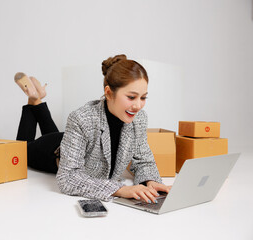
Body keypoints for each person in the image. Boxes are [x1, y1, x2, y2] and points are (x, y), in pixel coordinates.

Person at [15, 54, 171, 203]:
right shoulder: (81, 118)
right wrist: (120, 190)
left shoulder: (140, 119)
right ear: (109, 93)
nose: (138, 106)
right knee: (21, 150)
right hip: (50, 151)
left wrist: (150, 181)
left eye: (143, 97)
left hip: (72, 141)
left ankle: (37, 99)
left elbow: (144, 161)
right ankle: (33, 99)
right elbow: (67, 178)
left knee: (54, 133)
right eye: (131, 97)